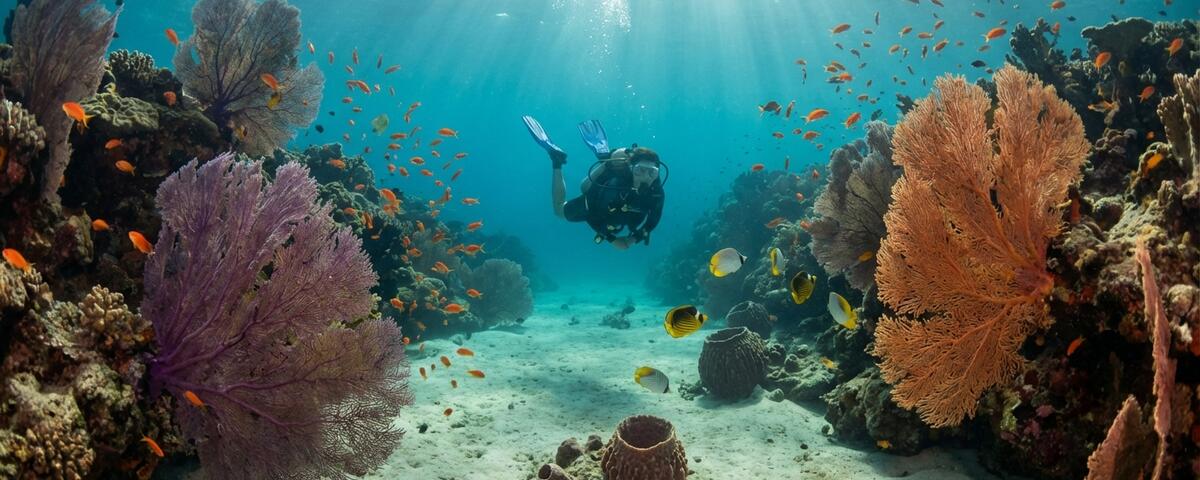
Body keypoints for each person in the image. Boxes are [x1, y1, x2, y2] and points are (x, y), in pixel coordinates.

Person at [522, 116, 666, 250]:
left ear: (657, 173)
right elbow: (591, 213)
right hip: (595, 196)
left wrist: (632, 240)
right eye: (640, 170)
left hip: (618, 214)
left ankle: (606, 157)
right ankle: (557, 161)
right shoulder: (616, 185)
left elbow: (653, 220)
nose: (645, 177)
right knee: (562, 207)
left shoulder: (657, 193)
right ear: (631, 169)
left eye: (652, 172)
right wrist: (611, 238)